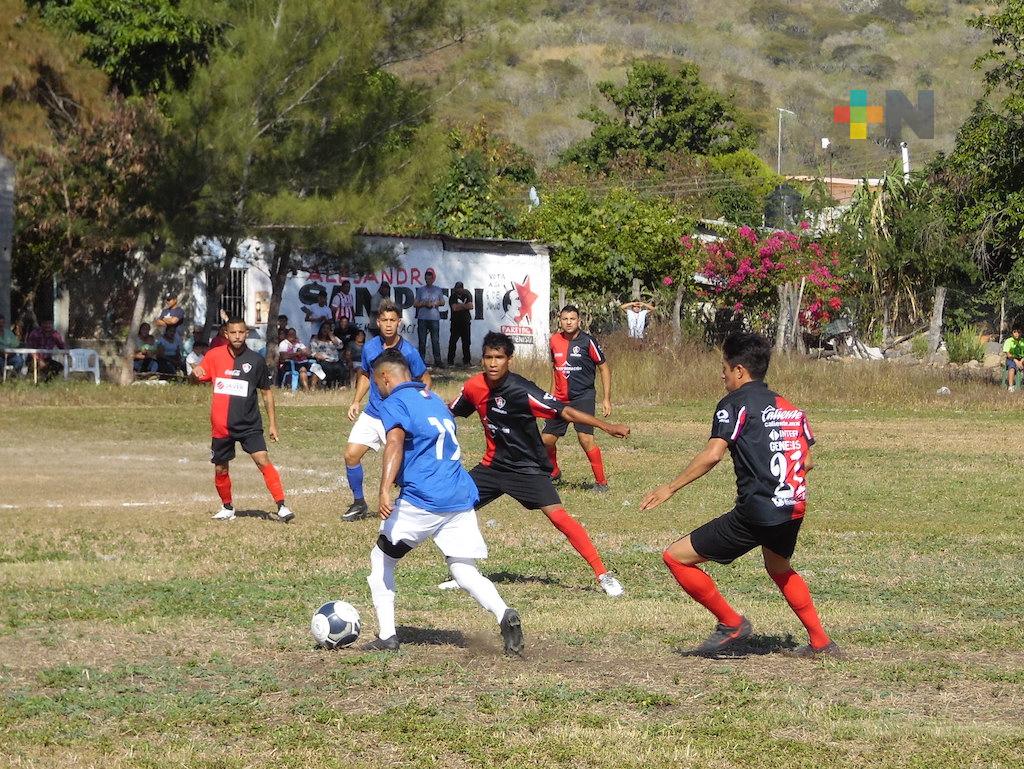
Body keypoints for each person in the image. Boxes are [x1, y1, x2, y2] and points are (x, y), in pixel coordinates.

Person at [640, 332, 838, 658]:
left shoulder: (734, 404)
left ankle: (731, 623)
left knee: (675, 557)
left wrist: (670, 487)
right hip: (793, 506)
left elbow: (713, 454)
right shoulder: (790, 408)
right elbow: (807, 461)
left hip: (758, 512)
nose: (722, 375)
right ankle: (820, 642)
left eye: (725, 368)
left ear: (740, 371)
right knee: (778, 566)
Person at [361, 348, 524, 655]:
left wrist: (384, 489)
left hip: (424, 498)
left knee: (381, 558)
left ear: (384, 378)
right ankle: (504, 613)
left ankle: (386, 637)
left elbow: (394, 442)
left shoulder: (394, 401)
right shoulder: (433, 399)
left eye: (375, 382)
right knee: (463, 569)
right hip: (460, 494)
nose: (376, 388)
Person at [449, 331, 629, 597]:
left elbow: (564, 411)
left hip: (527, 469)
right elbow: (451, 409)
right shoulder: (474, 386)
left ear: (509, 359)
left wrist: (606, 426)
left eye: (499, 357)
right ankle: (463, 572)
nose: (493, 363)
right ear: (482, 360)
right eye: (488, 357)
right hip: (492, 466)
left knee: (560, 519)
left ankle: (603, 574)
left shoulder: (522, 390)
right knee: (453, 508)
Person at [191, 318, 294, 522]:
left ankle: (282, 506)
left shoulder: (256, 361)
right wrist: (194, 374)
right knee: (221, 467)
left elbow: (266, 393)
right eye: (233, 332)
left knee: (262, 460)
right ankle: (227, 507)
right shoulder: (213, 356)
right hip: (221, 426)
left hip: (249, 424)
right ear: (226, 334)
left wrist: (273, 424)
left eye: (241, 332)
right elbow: (196, 379)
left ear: (246, 333)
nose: (237, 336)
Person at [343, 300, 431, 521]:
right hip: (373, 413)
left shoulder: (409, 352)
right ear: (378, 322)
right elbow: (365, 374)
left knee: (404, 466)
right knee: (351, 455)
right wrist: (356, 401)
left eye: (393, 320)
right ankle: (359, 503)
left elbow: (424, 378)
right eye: (384, 320)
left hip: (398, 417)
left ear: (399, 322)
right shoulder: (370, 347)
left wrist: (421, 403)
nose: (389, 325)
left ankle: (410, 506)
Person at [542, 305, 613, 491]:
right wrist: (549, 399)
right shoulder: (554, 341)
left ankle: (601, 483)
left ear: (578, 321)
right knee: (546, 440)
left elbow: (604, 368)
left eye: (572, 319)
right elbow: (555, 370)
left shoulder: (588, 341)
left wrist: (606, 398)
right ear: (560, 320)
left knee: (585, 440)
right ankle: (554, 472)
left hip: (583, 398)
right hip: (559, 399)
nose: (568, 322)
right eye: (565, 319)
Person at [414, 268, 445, 367]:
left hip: (434, 318)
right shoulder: (420, 290)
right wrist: (424, 303)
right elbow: (415, 304)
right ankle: (421, 361)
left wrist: (436, 303)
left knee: (435, 340)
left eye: (430, 278)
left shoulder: (438, 289)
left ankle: (438, 361)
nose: (428, 280)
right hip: (422, 318)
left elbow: (443, 302)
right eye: (427, 279)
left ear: (433, 279)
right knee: (422, 341)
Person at [310, 321, 348, 388]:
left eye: (328, 328)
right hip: (324, 360)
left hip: (335, 360)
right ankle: (329, 385)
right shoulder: (315, 339)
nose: (325, 330)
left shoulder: (333, 339)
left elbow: (340, 346)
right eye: (324, 328)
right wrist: (316, 355)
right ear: (321, 329)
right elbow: (312, 351)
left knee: (341, 368)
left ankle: (341, 385)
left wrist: (331, 336)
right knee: (329, 368)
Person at [447, 281, 474, 366]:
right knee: (452, 342)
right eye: (456, 288)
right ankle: (450, 361)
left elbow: (471, 306)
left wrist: (460, 305)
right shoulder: (452, 296)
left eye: (459, 288)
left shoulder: (467, 294)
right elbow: (454, 308)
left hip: (465, 322)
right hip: (455, 322)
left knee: (466, 342)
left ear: (462, 288)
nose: (458, 290)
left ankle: (467, 361)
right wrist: (464, 305)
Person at [1004, 326, 1024, 392]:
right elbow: (1008, 354)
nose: (1017, 334)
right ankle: (1011, 387)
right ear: (1012, 333)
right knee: (1012, 368)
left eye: (1018, 332)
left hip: (1022, 358)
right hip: (1011, 358)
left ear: (1021, 333)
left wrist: (1021, 361)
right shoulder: (1008, 341)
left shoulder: (1023, 341)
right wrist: (1016, 361)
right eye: (1015, 332)